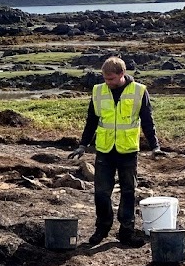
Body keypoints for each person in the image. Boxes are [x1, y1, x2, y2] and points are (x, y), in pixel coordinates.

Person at [69, 56, 162, 246]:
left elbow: (147, 121)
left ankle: (126, 231)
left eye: (111, 79)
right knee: (101, 193)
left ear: (122, 74)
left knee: (128, 192)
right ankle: (102, 228)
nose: (107, 82)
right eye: (105, 78)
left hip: (128, 151)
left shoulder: (139, 91)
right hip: (104, 150)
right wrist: (82, 144)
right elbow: (91, 121)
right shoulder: (98, 91)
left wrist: (155, 146)